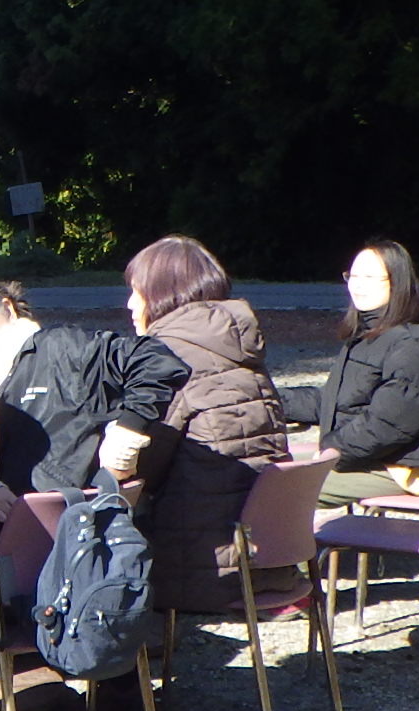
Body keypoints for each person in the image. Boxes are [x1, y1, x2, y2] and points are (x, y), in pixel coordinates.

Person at [123, 235, 303, 611]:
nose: (130, 305)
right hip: (269, 559)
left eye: (136, 292)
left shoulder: (167, 359)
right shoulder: (238, 349)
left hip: (200, 570)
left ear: (160, 295)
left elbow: (139, 467)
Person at [0, 268, 189, 519]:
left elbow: (155, 361)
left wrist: (128, 431)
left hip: (80, 528)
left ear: (7, 308)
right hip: (11, 533)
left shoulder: (62, 350)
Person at [279, 238, 419, 506]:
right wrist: (271, 401)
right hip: (366, 456)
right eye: (353, 276)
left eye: (369, 277)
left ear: (396, 282)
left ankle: (270, 534)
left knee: (272, 489)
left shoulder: (413, 344)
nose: (357, 285)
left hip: (396, 467)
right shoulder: (372, 333)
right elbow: (337, 402)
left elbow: (388, 425)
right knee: (255, 470)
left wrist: (332, 451)